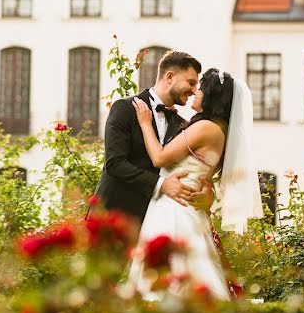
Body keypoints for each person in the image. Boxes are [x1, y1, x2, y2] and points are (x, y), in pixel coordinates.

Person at [127, 68, 262, 300]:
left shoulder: (205, 128)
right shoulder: (218, 130)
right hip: (187, 206)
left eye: (200, 88)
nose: (194, 92)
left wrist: (145, 123)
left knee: (170, 278)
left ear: (211, 96)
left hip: (175, 206)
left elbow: (160, 158)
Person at [92, 51, 212, 226]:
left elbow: (193, 166)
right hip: (112, 217)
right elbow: (114, 163)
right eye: (191, 83)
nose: (195, 91)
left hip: (153, 223)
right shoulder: (125, 108)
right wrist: (161, 184)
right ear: (170, 76)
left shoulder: (183, 126)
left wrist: (207, 191)